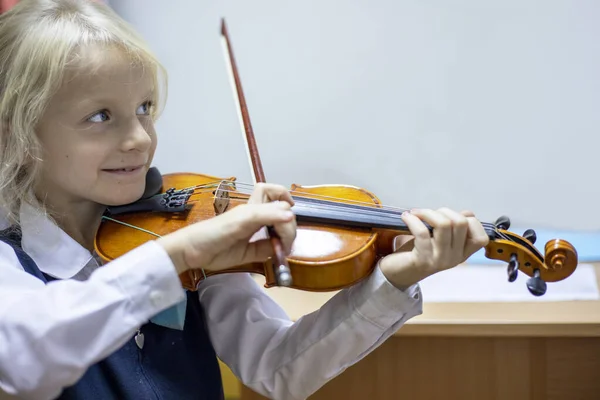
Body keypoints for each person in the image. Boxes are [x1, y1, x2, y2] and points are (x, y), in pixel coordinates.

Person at [0, 1, 490, 399]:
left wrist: (394, 278)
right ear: (18, 135)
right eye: (100, 116)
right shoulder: (13, 265)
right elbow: (27, 360)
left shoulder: (184, 233)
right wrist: (177, 256)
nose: (139, 139)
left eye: (144, 109)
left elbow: (279, 367)